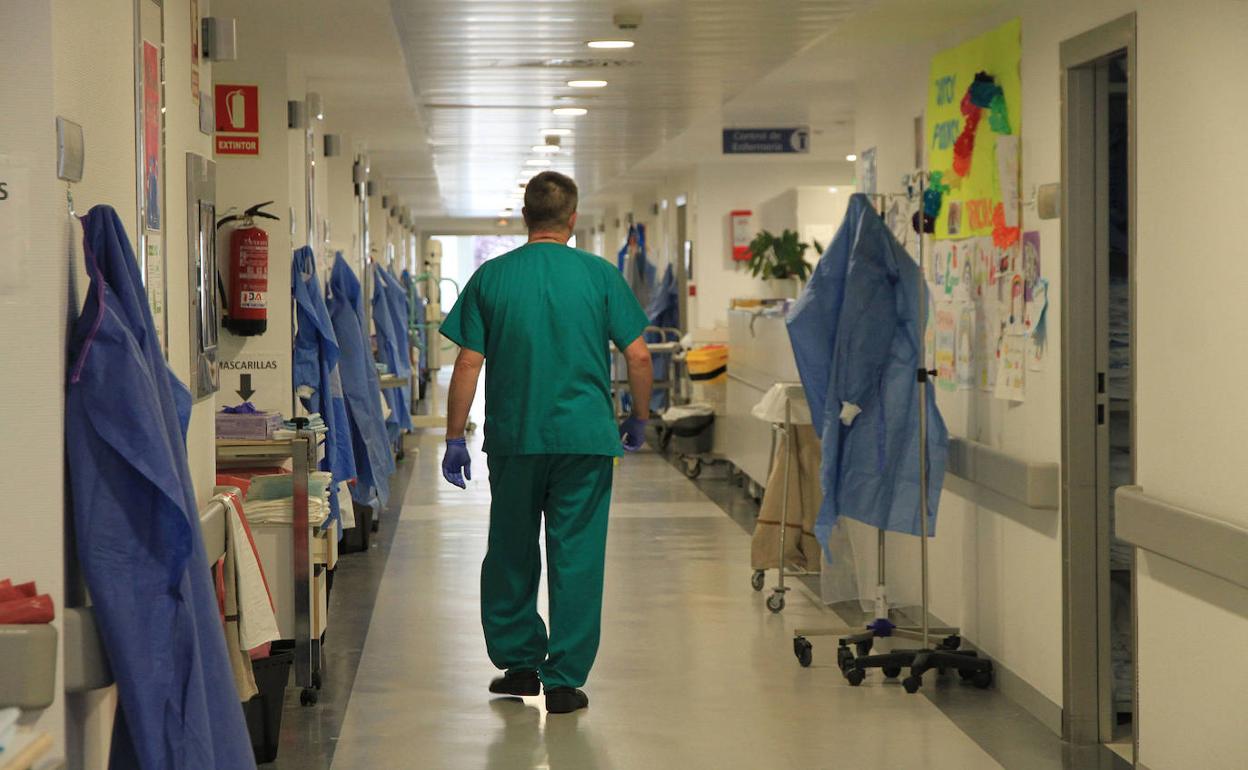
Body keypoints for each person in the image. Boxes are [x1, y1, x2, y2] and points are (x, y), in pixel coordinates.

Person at [439, 171, 654, 714]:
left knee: (511, 548)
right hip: (585, 439)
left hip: (516, 437)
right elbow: (639, 356)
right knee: (577, 554)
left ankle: (519, 665)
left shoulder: (492, 277)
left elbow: (468, 360)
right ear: (573, 219)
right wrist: (640, 417)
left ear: (526, 215)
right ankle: (564, 681)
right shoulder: (600, 276)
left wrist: (453, 436)